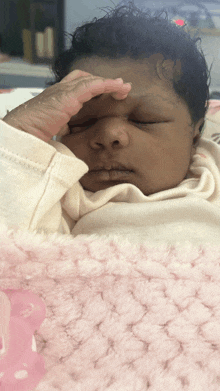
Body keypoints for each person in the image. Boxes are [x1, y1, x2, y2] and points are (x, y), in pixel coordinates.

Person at [0, 2, 220, 246]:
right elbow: (9, 237)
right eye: (83, 122)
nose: (108, 134)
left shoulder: (212, 171)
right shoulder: (55, 192)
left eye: (144, 120)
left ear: (195, 135)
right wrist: (17, 135)